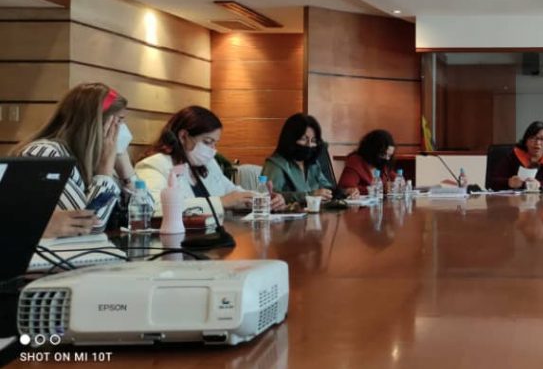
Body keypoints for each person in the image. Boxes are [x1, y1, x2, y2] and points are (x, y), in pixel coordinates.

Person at [15, 83, 137, 237]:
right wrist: (105, 171)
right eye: (119, 120)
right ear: (96, 125)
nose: (122, 128)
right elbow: (86, 226)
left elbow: (143, 216)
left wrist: (125, 169)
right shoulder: (45, 154)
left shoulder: (95, 159)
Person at [136, 106, 284, 217]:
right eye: (207, 142)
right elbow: (156, 209)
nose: (213, 150)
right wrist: (222, 202)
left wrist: (264, 199)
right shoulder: (153, 166)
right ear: (183, 136)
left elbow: (232, 192)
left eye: (215, 143)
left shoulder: (208, 164)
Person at [262, 113, 334, 204]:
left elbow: (326, 186)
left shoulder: (312, 163)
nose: (309, 145)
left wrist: (343, 192)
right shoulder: (275, 164)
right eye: (304, 139)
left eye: (313, 140)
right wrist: (308, 196)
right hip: (287, 212)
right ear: (290, 139)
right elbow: (270, 195)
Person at [487, 121, 543, 191]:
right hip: (515, 202)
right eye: (533, 138)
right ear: (526, 141)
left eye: (542, 139)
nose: (537, 143)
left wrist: (540, 184)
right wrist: (509, 182)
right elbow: (492, 181)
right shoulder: (513, 156)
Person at [338, 129, 397, 197]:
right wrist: (372, 190)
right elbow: (345, 188)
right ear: (373, 151)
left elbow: (397, 180)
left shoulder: (383, 164)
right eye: (383, 154)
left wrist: (394, 185)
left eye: (389, 156)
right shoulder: (356, 162)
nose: (387, 158)